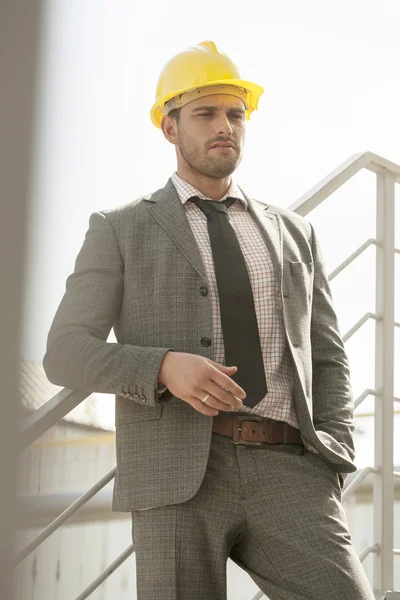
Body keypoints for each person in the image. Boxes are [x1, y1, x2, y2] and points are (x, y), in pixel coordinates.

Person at [43, 41, 375, 600]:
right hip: (176, 476)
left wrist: (334, 456)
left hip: (290, 467)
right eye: (206, 113)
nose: (226, 126)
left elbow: (327, 355)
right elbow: (65, 351)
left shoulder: (295, 232)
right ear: (170, 128)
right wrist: (164, 367)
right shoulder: (119, 229)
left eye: (235, 114)